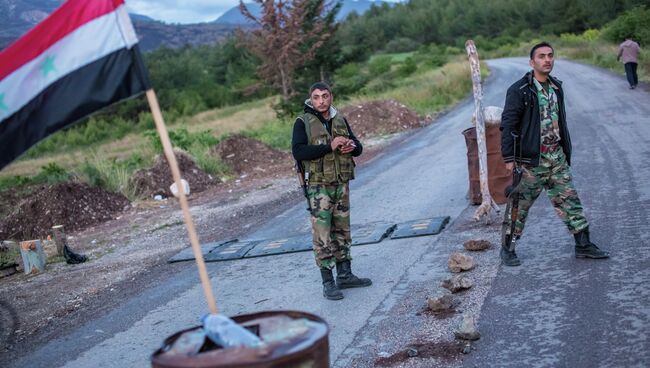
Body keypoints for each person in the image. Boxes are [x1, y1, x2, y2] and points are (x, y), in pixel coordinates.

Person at [499, 42, 610, 266]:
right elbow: (508, 124)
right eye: (541, 56)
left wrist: (564, 152)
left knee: (570, 201)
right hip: (531, 161)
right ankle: (507, 248)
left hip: (556, 157)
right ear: (532, 62)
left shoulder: (556, 87)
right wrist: (509, 158)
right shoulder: (519, 90)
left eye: (550, 55)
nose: (547, 60)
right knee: (519, 205)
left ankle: (583, 245)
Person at [291, 81, 372, 300]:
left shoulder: (340, 118)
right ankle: (328, 282)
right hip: (318, 187)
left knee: (343, 230)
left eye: (324, 96)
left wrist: (351, 146)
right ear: (311, 98)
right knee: (322, 234)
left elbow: (359, 148)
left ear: (331, 97)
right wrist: (330, 146)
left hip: (341, 184)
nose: (321, 101)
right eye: (316, 97)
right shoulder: (302, 122)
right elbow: (298, 152)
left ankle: (345, 274)